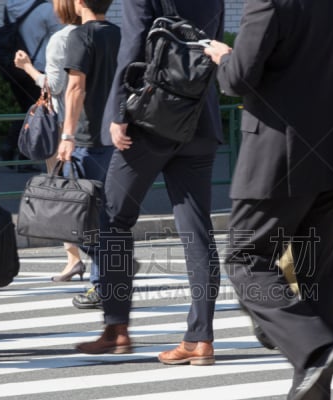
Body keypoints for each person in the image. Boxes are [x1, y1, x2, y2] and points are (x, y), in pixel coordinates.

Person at [203, 0, 333, 400]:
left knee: (244, 259)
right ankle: (313, 399)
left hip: (278, 152)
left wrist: (223, 58)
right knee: (317, 274)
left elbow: (239, 77)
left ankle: (315, 349)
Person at [75, 0, 222, 364]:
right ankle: (200, 337)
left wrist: (119, 112)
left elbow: (134, 45)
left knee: (114, 219)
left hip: (150, 117)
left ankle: (116, 329)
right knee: (197, 229)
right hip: (199, 115)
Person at [54, 0, 120, 310]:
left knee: (81, 219)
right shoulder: (121, 34)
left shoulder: (80, 36)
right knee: (107, 216)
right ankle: (109, 279)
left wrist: (66, 135)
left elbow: (75, 87)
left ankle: (104, 283)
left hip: (87, 140)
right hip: (117, 138)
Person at [14, 0, 84, 283]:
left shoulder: (61, 39)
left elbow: (53, 85)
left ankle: (74, 259)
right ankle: (106, 258)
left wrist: (27, 67)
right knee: (97, 195)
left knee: (62, 195)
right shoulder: (108, 34)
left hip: (64, 127)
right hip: (100, 129)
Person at [0, 0, 62, 163]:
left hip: (16, 65)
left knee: (27, 108)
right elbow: (60, 35)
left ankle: (12, 149)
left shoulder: (11, 6)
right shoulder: (46, 9)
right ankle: (24, 154)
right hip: (38, 67)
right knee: (36, 111)